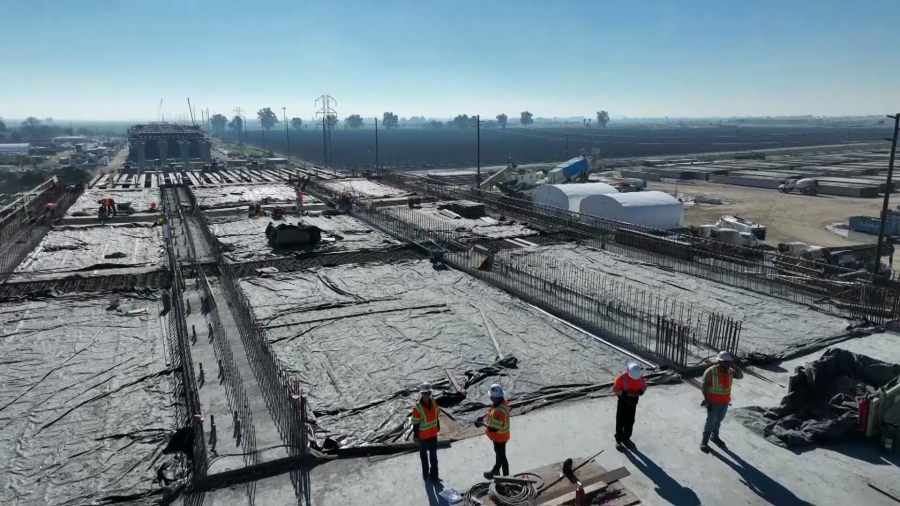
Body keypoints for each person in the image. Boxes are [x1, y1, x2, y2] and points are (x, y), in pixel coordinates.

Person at [700, 351, 743, 452]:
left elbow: (740, 376)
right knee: (710, 422)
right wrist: (707, 401)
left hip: (725, 401)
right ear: (719, 361)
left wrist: (735, 366)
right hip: (713, 402)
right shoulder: (711, 371)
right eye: (725, 362)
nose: (727, 364)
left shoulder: (730, 371)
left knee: (718, 421)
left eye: (729, 362)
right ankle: (704, 442)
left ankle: (715, 437)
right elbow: (704, 386)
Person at [476, 384, 510, 480]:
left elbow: (494, 428)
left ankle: (506, 478)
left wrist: (481, 424)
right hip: (501, 436)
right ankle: (496, 471)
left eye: (491, 396)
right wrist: (483, 417)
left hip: (500, 437)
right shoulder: (501, 402)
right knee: (500, 455)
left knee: (502, 457)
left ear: (495, 398)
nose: (490, 398)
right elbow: (491, 411)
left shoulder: (499, 411)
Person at [613, 362, 646, 450]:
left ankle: (626, 438)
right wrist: (626, 393)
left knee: (630, 421)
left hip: (633, 402)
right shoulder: (622, 378)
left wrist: (639, 393)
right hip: (623, 401)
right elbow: (615, 389)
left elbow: (643, 387)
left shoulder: (639, 377)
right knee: (620, 421)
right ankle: (619, 440)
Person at [411, 381, 440, 481]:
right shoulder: (417, 407)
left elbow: (436, 414)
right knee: (423, 455)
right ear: (421, 394)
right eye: (425, 393)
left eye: (429, 393)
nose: (427, 395)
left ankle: (434, 475)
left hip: (432, 434)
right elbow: (415, 423)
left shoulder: (433, 401)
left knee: (433, 455)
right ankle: (425, 472)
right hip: (422, 436)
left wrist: (438, 425)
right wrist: (415, 435)